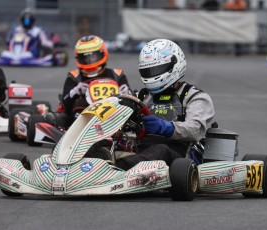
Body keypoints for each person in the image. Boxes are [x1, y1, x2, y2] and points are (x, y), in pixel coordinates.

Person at [115, 39, 215, 170]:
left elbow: (195, 130)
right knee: (104, 146)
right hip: (139, 151)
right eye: (148, 71)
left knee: (160, 150)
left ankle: (119, 170)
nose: (152, 75)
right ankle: (85, 172)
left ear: (174, 65)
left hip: (177, 158)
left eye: (156, 69)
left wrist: (166, 128)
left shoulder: (194, 96)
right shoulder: (140, 96)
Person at [62, 35, 132, 126]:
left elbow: (133, 101)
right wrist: (75, 92)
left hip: (115, 115)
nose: (89, 61)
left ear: (103, 53)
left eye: (93, 56)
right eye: (85, 58)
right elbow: (65, 105)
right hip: (84, 118)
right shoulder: (74, 76)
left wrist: (127, 93)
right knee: (76, 107)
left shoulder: (117, 75)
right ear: (79, 58)